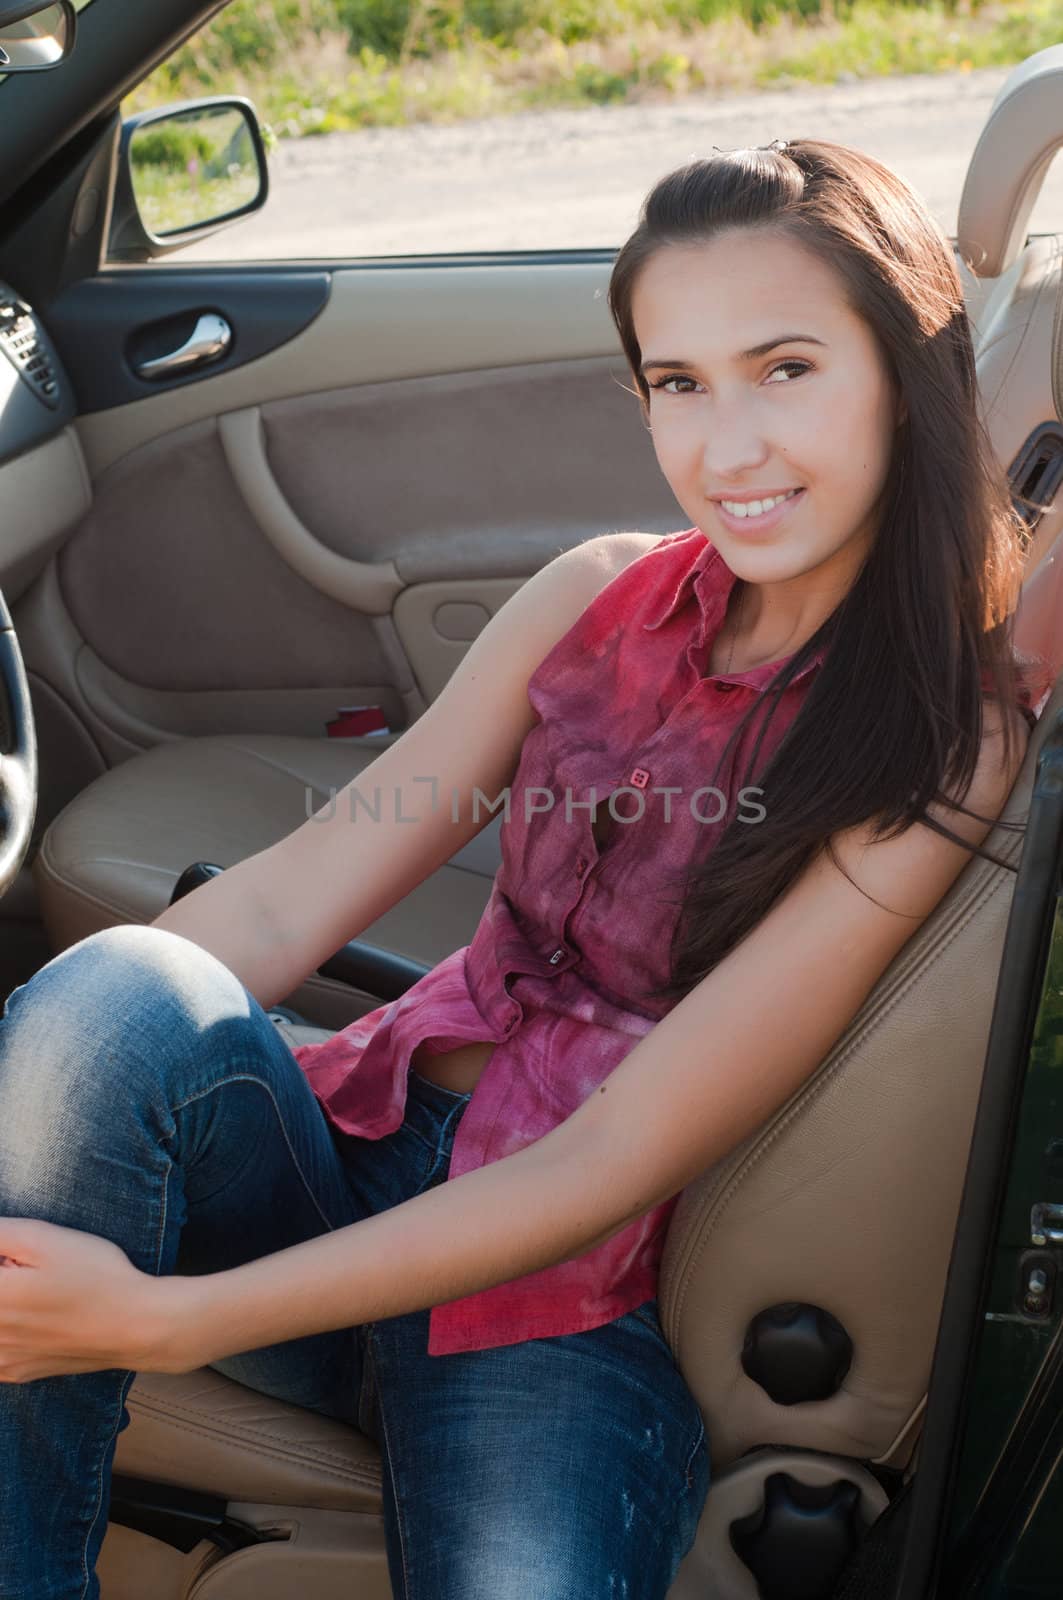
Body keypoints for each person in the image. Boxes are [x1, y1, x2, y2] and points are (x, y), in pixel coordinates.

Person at [0, 137, 1048, 1600]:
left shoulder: (942, 746)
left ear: (905, 375)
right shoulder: (594, 598)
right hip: (348, 1147)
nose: (726, 448)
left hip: (562, 1284)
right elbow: (297, 894)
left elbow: (608, 1159)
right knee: (111, 995)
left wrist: (169, 1323)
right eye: (678, 384)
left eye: (786, 368)